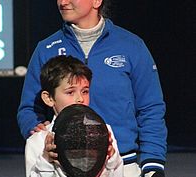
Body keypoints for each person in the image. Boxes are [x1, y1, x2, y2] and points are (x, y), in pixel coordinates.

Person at [17, 0, 167, 176]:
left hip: (122, 165)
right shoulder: (45, 49)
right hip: (64, 168)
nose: (62, 2)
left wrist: (153, 164)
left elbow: (151, 109)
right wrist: (37, 133)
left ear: (96, 1)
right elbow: (29, 109)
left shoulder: (132, 46)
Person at [25, 55, 123, 177]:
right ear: (49, 98)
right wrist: (46, 161)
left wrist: (111, 158)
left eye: (85, 91)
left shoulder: (104, 131)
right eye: (70, 92)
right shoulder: (37, 141)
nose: (80, 99)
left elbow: (117, 173)